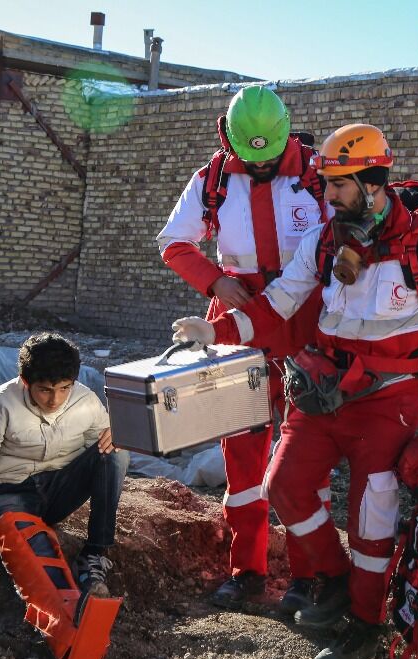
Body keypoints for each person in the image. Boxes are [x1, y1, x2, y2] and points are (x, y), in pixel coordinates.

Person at [172, 123, 418, 659]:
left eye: (338, 185)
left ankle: (365, 626)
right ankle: (339, 583)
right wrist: (217, 331)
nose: (328, 194)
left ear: (372, 183)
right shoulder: (324, 241)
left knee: (372, 514)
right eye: (326, 183)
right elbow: (279, 305)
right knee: (286, 486)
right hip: (322, 395)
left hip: (390, 402)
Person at [157, 85, 332, 613]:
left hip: (304, 318)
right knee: (243, 454)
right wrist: (214, 283)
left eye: (269, 159)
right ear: (229, 138)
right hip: (233, 317)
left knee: (306, 453)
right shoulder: (212, 178)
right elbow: (174, 241)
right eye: (250, 160)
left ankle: (308, 576)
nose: (260, 169)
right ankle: (247, 570)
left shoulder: (319, 176)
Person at [0, 332, 128, 600]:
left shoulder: (86, 401)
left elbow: (101, 455)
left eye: (64, 388)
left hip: (57, 492)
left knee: (115, 453)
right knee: (38, 561)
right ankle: (65, 607)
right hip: (7, 495)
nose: (55, 400)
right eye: (45, 389)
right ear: (25, 382)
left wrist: (118, 433)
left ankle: (94, 555)